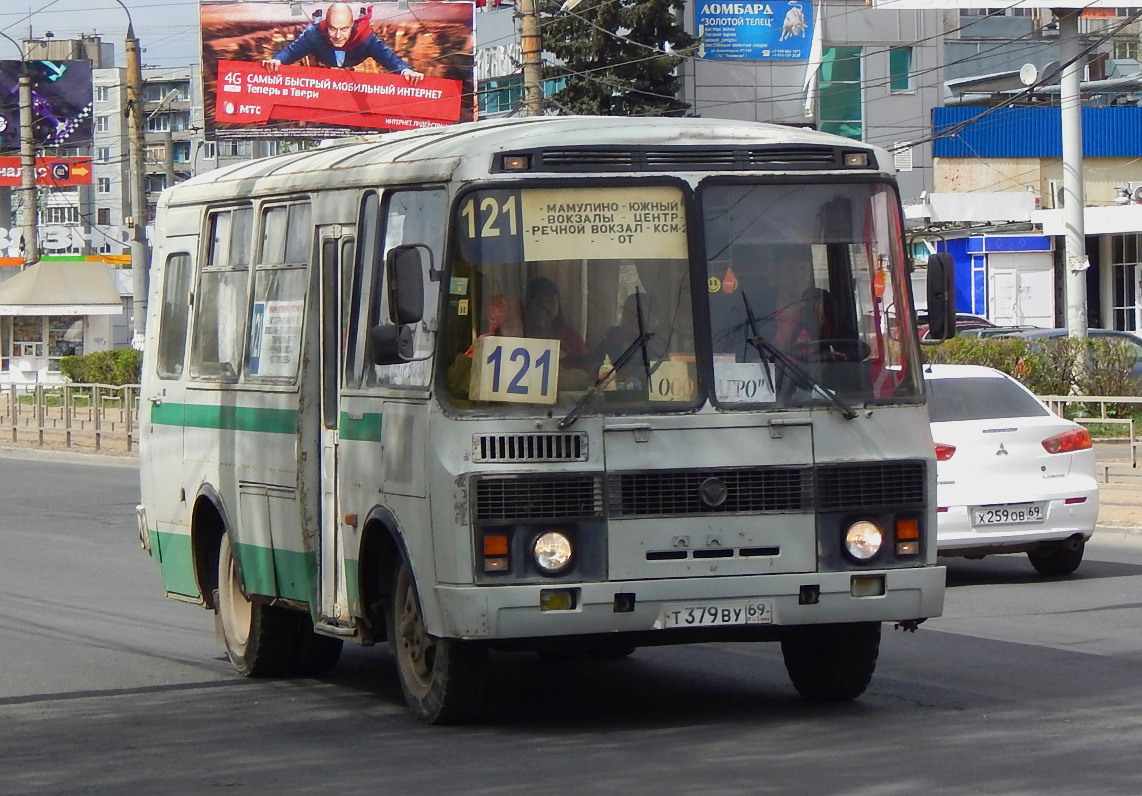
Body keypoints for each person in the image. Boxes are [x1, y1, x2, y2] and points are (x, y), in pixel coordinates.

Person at [262, 3, 424, 84]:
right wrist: (278, 61)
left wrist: (406, 72)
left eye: (344, 29)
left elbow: (390, 58)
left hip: (352, 57)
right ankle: (319, 17)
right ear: (327, 26)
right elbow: (292, 51)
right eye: (333, 29)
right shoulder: (314, 33)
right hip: (323, 42)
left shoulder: (365, 37)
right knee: (317, 23)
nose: (338, 36)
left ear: (352, 26)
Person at [524, 277, 588, 357]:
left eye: (550, 301)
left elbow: (585, 362)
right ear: (529, 305)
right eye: (539, 303)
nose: (546, 307)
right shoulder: (521, 334)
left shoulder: (571, 337)